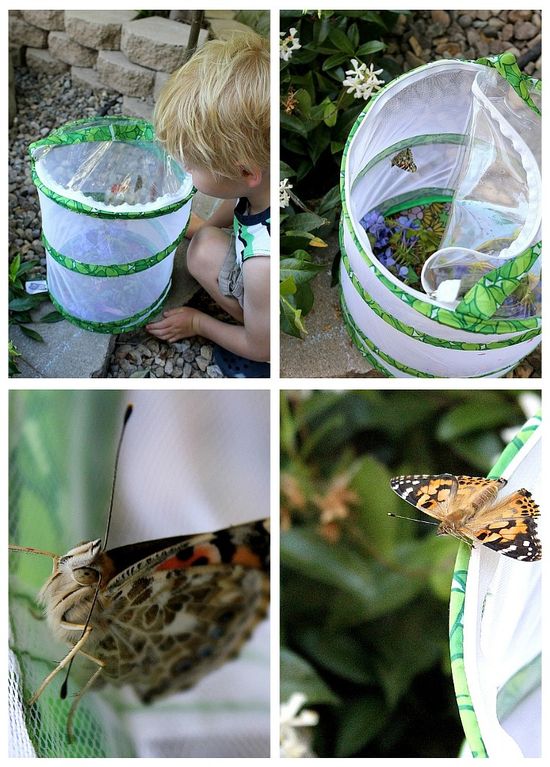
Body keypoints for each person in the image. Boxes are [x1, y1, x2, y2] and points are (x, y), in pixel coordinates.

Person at [147, 30, 270, 377]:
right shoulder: (265, 176)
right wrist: (206, 225)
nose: (184, 168)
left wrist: (198, 323)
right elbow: (238, 202)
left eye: (192, 163)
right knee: (204, 237)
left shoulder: (262, 265)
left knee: (201, 251)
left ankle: (252, 315)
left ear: (246, 171)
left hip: (266, 326)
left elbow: (263, 348)